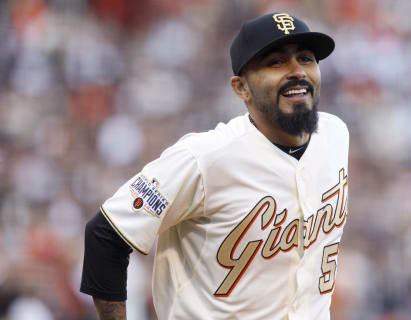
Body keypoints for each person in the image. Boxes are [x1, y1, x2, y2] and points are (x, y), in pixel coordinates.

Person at [80, 12, 349, 320]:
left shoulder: (336, 135)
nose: (297, 71)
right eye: (276, 62)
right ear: (241, 88)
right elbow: (106, 234)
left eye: (306, 58)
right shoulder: (205, 157)